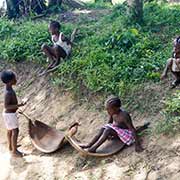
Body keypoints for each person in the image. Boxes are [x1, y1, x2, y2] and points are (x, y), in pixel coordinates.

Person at [1, 70, 26, 157]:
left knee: (10, 131)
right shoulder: (9, 93)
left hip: (8, 114)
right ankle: (15, 151)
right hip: (10, 115)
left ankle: (11, 146)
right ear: (9, 81)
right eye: (14, 79)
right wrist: (19, 105)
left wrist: (16, 107)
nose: (16, 80)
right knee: (15, 131)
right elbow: (7, 106)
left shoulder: (9, 89)